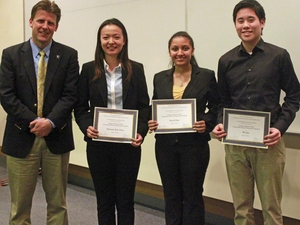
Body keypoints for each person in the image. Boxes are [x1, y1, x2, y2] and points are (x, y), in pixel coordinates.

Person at [212, 1, 300, 224]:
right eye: (240, 21)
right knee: (241, 208)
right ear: (235, 25)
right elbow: (223, 101)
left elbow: (294, 96)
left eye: (250, 19)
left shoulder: (278, 56)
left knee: (271, 208)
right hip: (236, 145)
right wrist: (221, 122)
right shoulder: (226, 61)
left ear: (262, 22)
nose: (245, 25)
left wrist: (279, 128)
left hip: (268, 144)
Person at [0, 0, 79, 225]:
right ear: (31, 21)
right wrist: (35, 121)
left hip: (57, 136)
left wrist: (50, 122)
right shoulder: (11, 54)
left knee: (58, 205)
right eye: (41, 21)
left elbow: (70, 95)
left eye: (50, 23)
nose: (45, 26)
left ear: (56, 26)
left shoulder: (68, 55)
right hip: (21, 136)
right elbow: (6, 95)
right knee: (19, 207)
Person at [74, 18, 150, 225]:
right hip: (98, 145)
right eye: (106, 37)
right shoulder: (89, 70)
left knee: (125, 201)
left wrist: (141, 132)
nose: (111, 41)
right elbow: (80, 107)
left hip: (129, 145)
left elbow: (145, 106)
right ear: (99, 41)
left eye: (116, 36)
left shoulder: (136, 69)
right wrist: (86, 126)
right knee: (104, 201)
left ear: (124, 40)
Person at [148, 31, 219, 225]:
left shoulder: (206, 76)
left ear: (192, 50)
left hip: (194, 146)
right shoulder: (160, 78)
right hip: (165, 146)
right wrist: (151, 120)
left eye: (185, 48)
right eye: (175, 48)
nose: (180, 52)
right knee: (171, 194)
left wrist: (206, 122)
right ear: (169, 52)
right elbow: (154, 106)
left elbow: (216, 107)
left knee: (193, 195)